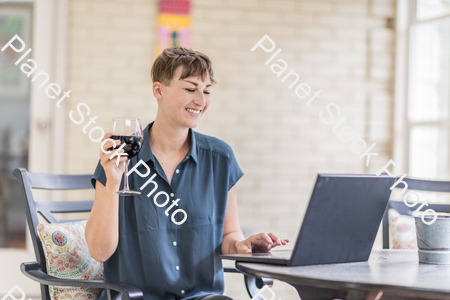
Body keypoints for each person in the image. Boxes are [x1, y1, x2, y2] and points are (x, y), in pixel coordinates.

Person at [85, 47, 289, 300]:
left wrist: (241, 245)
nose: (201, 101)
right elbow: (98, 251)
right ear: (158, 91)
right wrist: (114, 180)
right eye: (191, 89)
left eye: (207, 91)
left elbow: (228, 235)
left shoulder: (220, 158)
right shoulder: (120, 158)